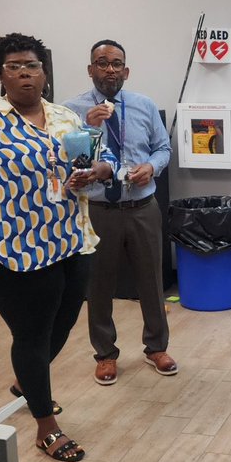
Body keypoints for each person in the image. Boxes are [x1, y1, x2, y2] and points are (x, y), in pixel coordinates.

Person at [0, 32, 115, 462]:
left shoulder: (64, 117)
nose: (25, 74)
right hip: (13, 249)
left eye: (33, 66)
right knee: (32, 333)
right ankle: (46, 424)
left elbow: (104, 159)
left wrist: (93, 172)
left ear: (45, 72)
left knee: (63, 323)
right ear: (0, 74)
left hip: (71, 239)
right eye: (14, 67)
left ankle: (28, 381)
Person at [65, 42, 177, 384]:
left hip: (142, 205)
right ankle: (105, 354)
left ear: (126, 71)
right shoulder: (71, 112)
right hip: (98, 208)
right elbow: (68, 161)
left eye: (117, 64)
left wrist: (152, 166)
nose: (110, 69)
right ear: (90, 70)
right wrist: (87, 128)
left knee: (151, 281)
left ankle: (156, 348)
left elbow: (163, 148)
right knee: (98, 285)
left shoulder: (144, 106)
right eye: (102, 63)